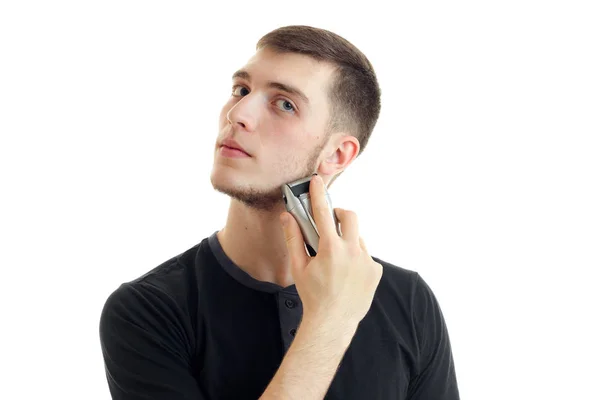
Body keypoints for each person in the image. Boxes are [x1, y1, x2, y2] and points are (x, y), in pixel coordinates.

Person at [99, 25, 460, 399]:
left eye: (284, 104)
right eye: (241, 90)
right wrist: (329, 322)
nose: (238, 114)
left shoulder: (408, 301)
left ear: (336, 155)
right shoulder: (147, 310)